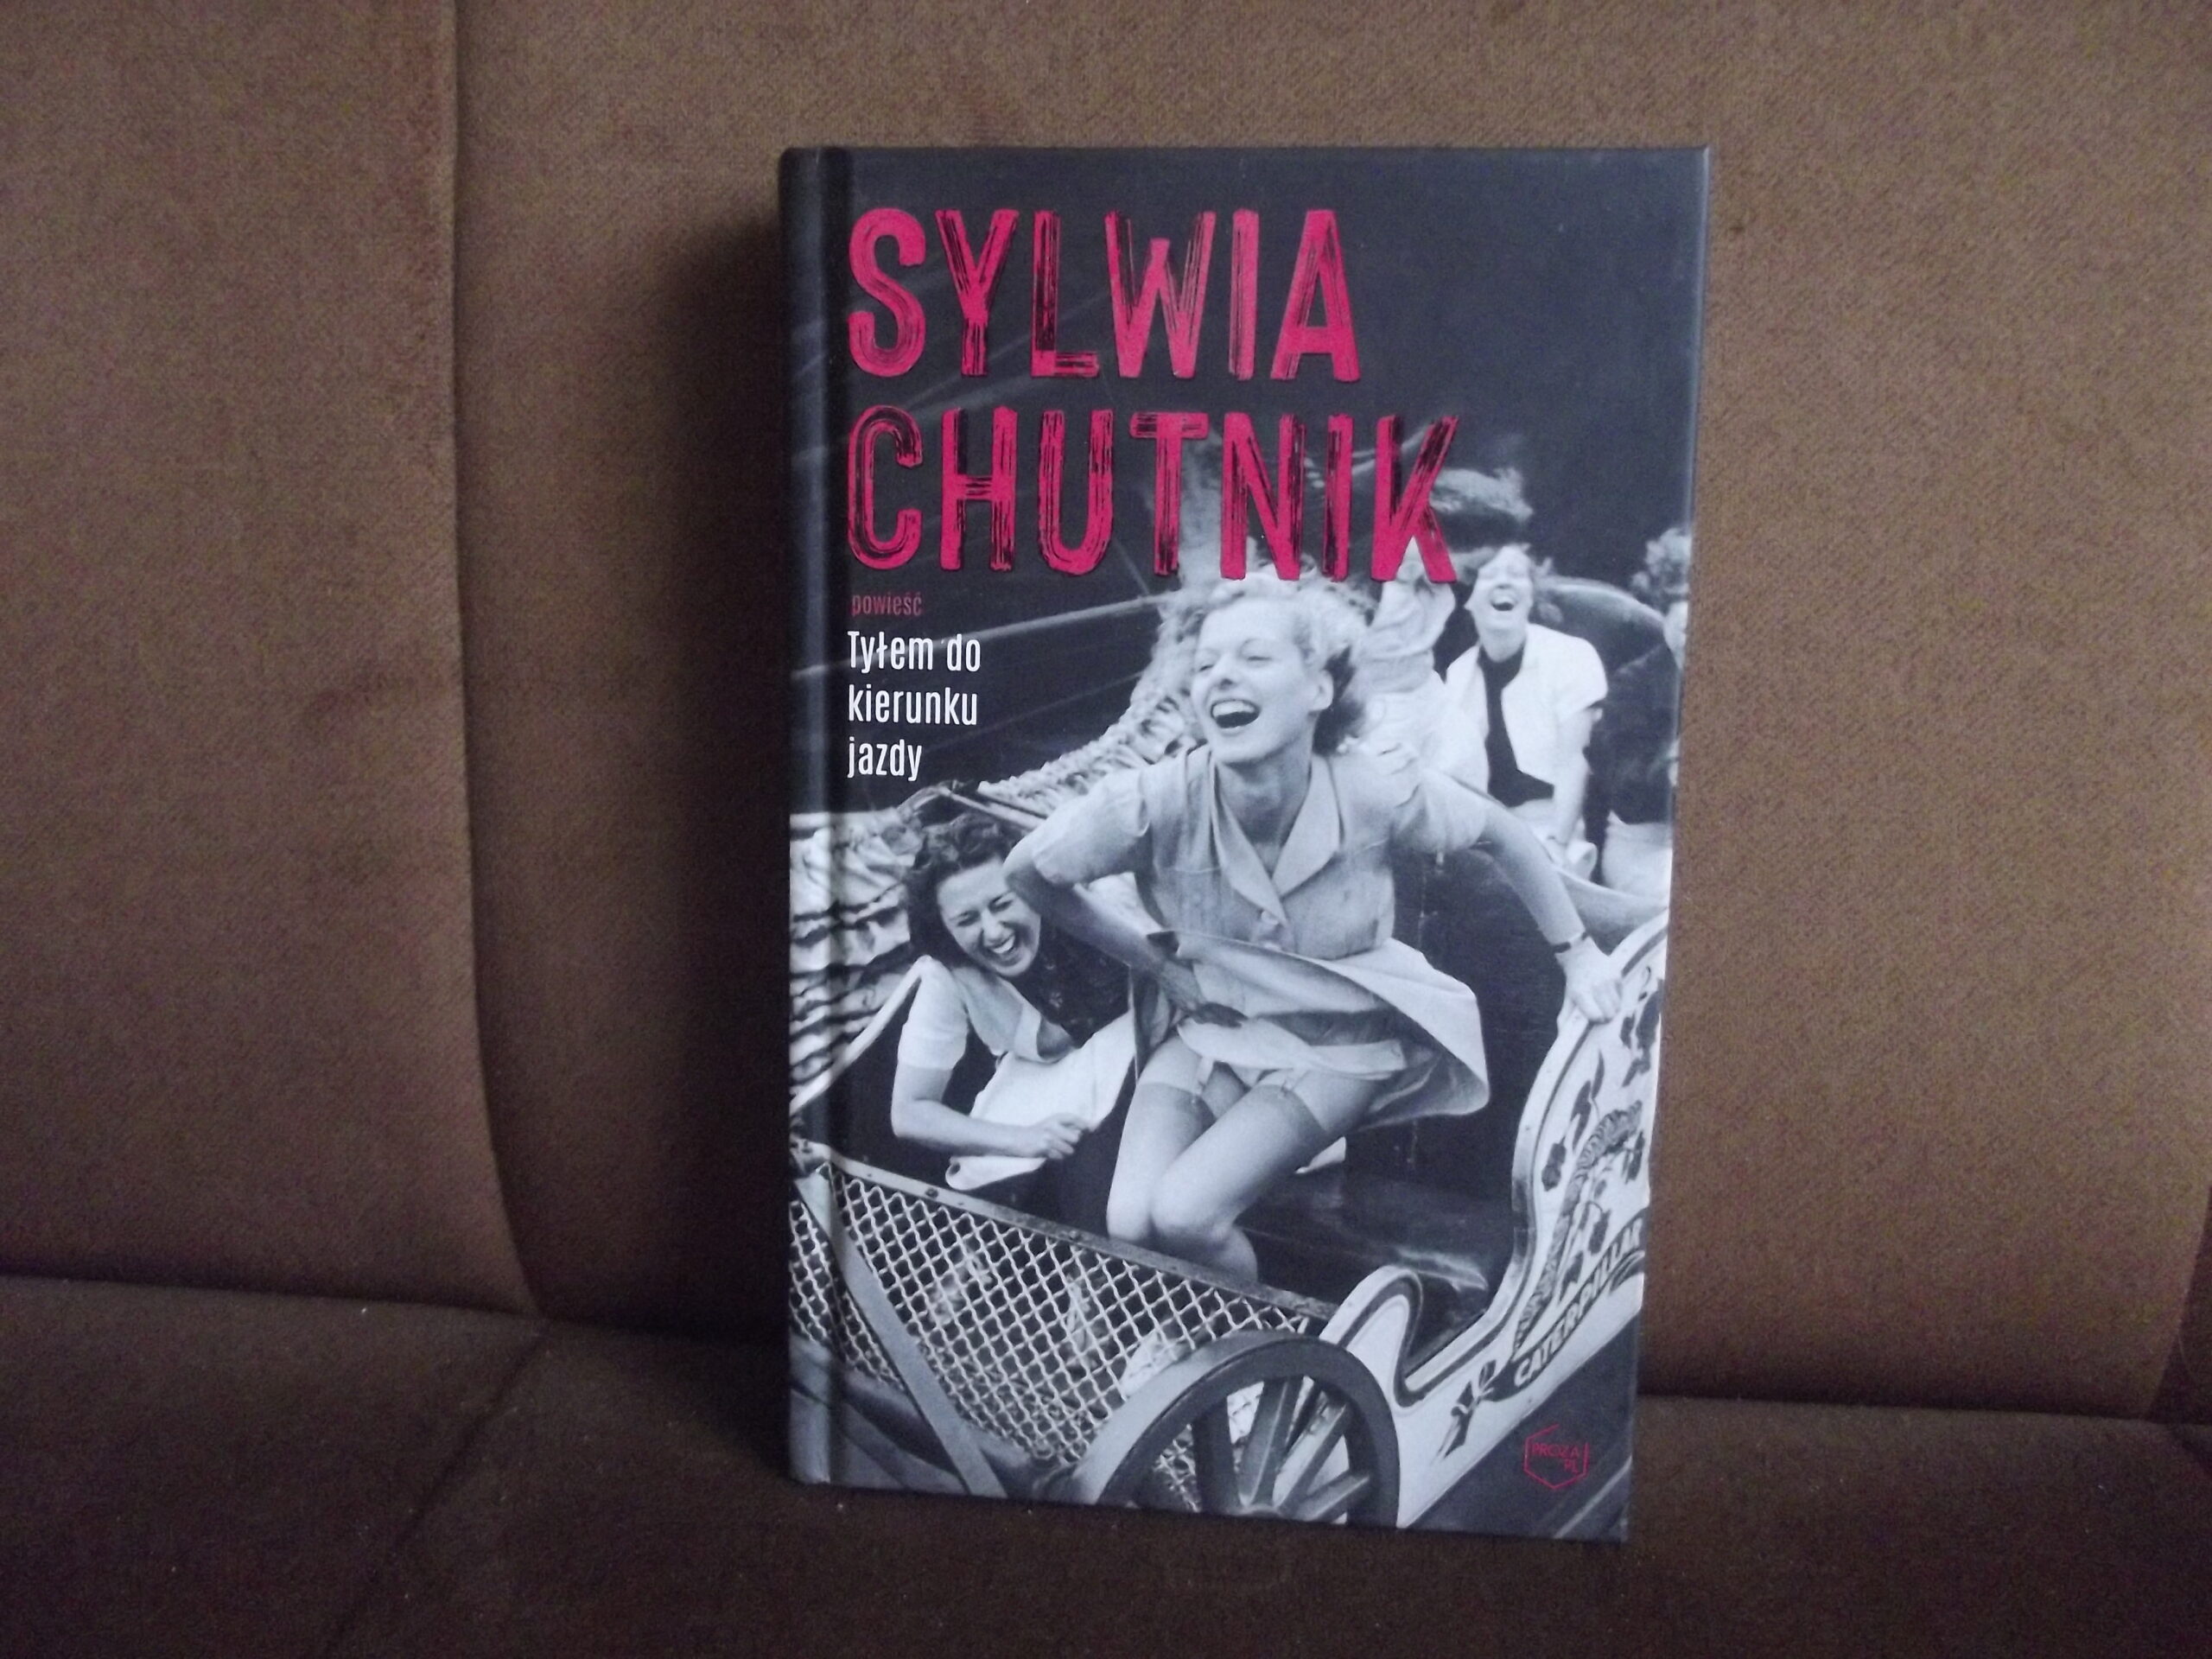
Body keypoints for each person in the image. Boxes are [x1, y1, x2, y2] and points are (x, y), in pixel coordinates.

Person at [1005, 576, 1622, 1281]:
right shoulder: (1154, 799)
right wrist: (1155, 965)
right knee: (1129, 1221)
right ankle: (1192, 1330)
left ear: (1320, 689)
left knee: (1186, 1215)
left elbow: (1505, 836)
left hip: (1339, 1045)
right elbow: (1030, 872)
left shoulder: (1375, 788)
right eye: (1205, 664)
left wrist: (1579, 955)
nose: (1222, 676)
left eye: (1254, 657)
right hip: (1213, 1028)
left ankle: (1255, 1342)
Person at [889, 812, 1135, 1227]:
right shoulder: (949, 972)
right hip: (1051, 1095)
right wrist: (1023, 1140)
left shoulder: (1101, 899)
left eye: (1002, 903)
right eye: (967, 920)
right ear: (944, 927)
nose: (994, 932)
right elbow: (910, 1111)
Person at [1428, 545, 1608, 874]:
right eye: (1489, 575)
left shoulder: (1572, 656)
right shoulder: (1458, 673)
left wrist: (1558, 844)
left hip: (1551, 830)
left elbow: (1574, 761)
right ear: (1468, 598)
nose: (1504, 582)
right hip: (1481, 834)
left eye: (1516, 575)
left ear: (1531, 596)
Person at [1592, 529, 1691, 899]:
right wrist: (1670, 767)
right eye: (1679, 599)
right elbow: (1627, 797)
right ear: (1663, 607)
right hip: (1646, 845)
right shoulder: (1633, 684)